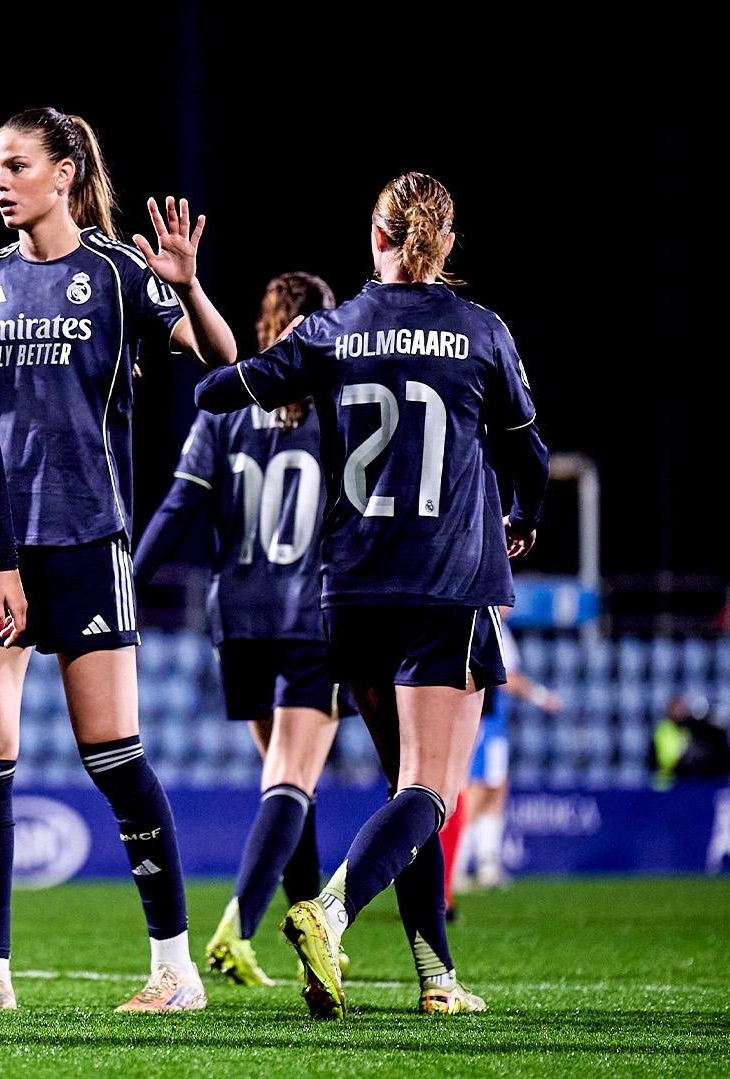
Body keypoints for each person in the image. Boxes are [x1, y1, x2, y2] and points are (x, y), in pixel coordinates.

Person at [196, 171, 550, 1018]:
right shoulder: (479, 331)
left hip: (349, 594)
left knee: (405, 792)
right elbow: (528, 454)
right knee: (430, 791)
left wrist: (187, 298)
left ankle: (437, 976)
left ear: (374, 236)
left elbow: (221, 390)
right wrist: (522, 518)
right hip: (446, 582)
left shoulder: (330, 329)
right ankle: (328, 910)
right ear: (447, 242)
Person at [0, 106, 238, 1014]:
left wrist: (186, 286)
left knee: (112, 755)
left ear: (64, 172)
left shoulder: (116, 272)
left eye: (15, 165)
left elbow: (223, 365)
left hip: (85, 540)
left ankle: (173, 966)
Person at [135, 272, 343, 987]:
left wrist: (127, 581)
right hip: (311, 614)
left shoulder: (226, 402)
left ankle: (313, 945)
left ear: (263, 326)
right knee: (292, 776)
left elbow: (177, 507)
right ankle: (238, 924)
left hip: (238, 618)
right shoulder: (339, 406)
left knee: (289, 781)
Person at [444, 611, 560, 895]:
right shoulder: (482, 621)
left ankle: (487, 864)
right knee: (476, 790)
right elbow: (505, 677)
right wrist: (540, 696)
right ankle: (456, 867)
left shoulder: (500, 629)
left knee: (496, 788)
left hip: (495, 719)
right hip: (484, 718)